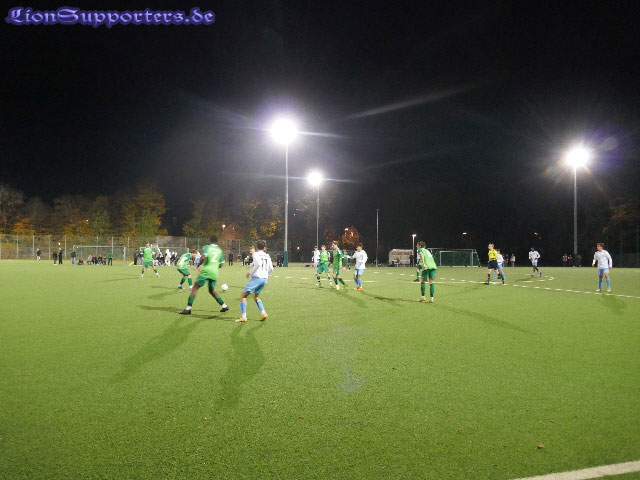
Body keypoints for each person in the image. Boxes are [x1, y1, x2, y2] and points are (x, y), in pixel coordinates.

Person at [180, 235, 229, 315]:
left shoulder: (207, 247)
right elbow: (221, 264)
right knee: (212, 291)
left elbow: (203, 257)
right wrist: (214, 267)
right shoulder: (220, 250)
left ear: (210, 241)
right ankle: (224, 306)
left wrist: (198, 265)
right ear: (217, 242)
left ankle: (188, 309)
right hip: (214, 273)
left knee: (195, 288)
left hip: (206, 271)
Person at [236, 240, 273, 323]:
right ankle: (263, 313)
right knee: (256, 296)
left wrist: (250, 272)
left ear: (256, 247)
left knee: (243, 296)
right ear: (264, 247)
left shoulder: (255, 254)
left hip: (257, 278)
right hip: (264, 279)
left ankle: (244, 317)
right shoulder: (267, 256)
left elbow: (258, 264)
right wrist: (267, 277)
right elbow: (271, 268)